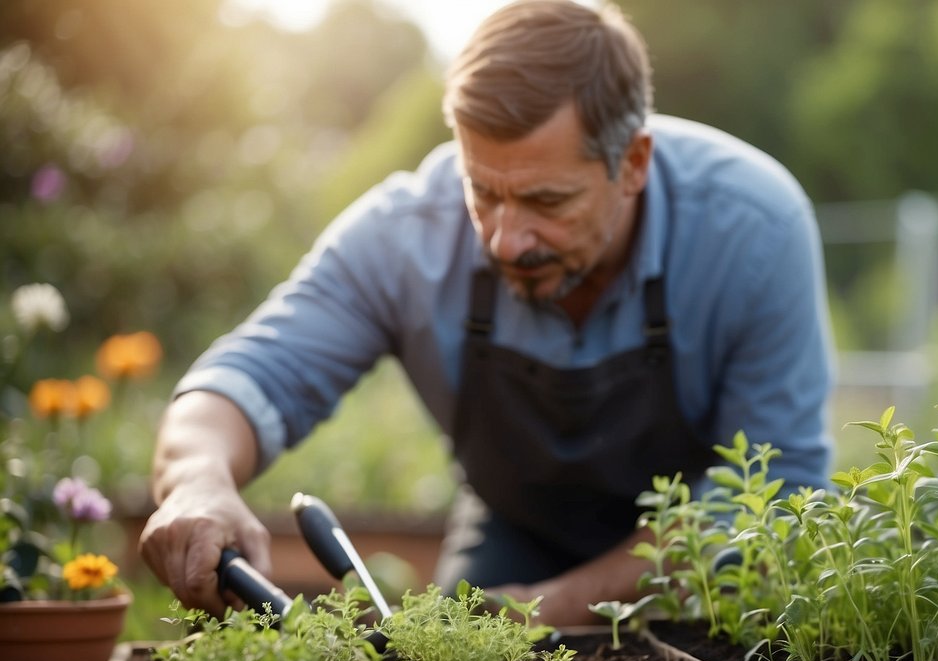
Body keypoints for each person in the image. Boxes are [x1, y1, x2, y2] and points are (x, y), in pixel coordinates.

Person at [140, 0, 835, 626]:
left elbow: (774, 491)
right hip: (515, 530)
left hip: (703, 555)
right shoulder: (404, 233)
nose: (505, 239)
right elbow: (250, 376)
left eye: (545, 202)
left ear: (632, 163)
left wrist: (549, 608)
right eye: (483, 193)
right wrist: (197, 481)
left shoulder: (752, 226)